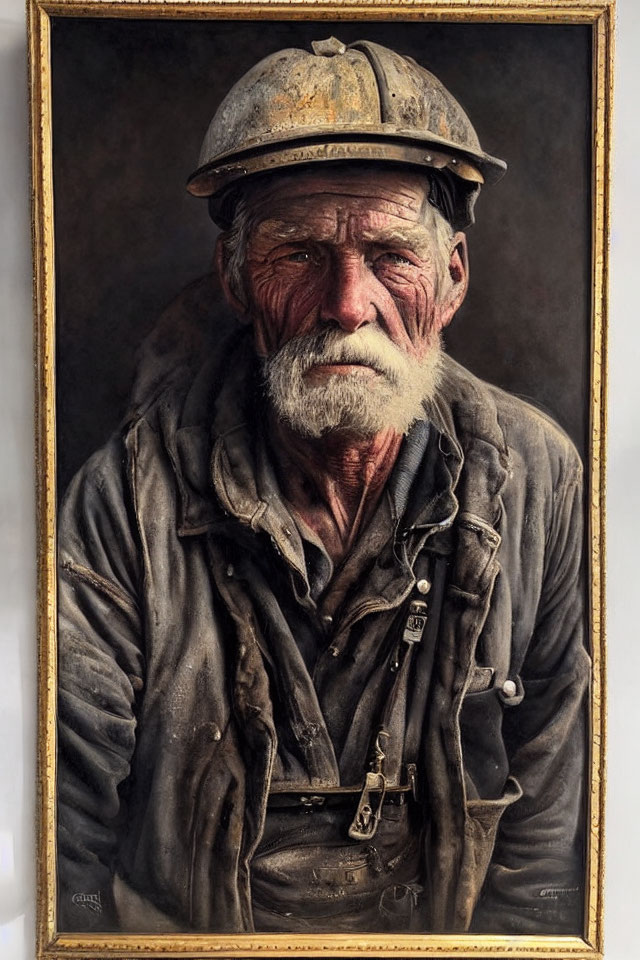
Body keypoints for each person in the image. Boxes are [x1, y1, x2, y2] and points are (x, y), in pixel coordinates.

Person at [57, 37, 589, 936]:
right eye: (300, 254)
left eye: (390, 254)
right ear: (235, 277)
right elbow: (58, 835)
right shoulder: (124, 499)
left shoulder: (539, 479)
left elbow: (554, 848)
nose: (348, 303)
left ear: (452, 277)